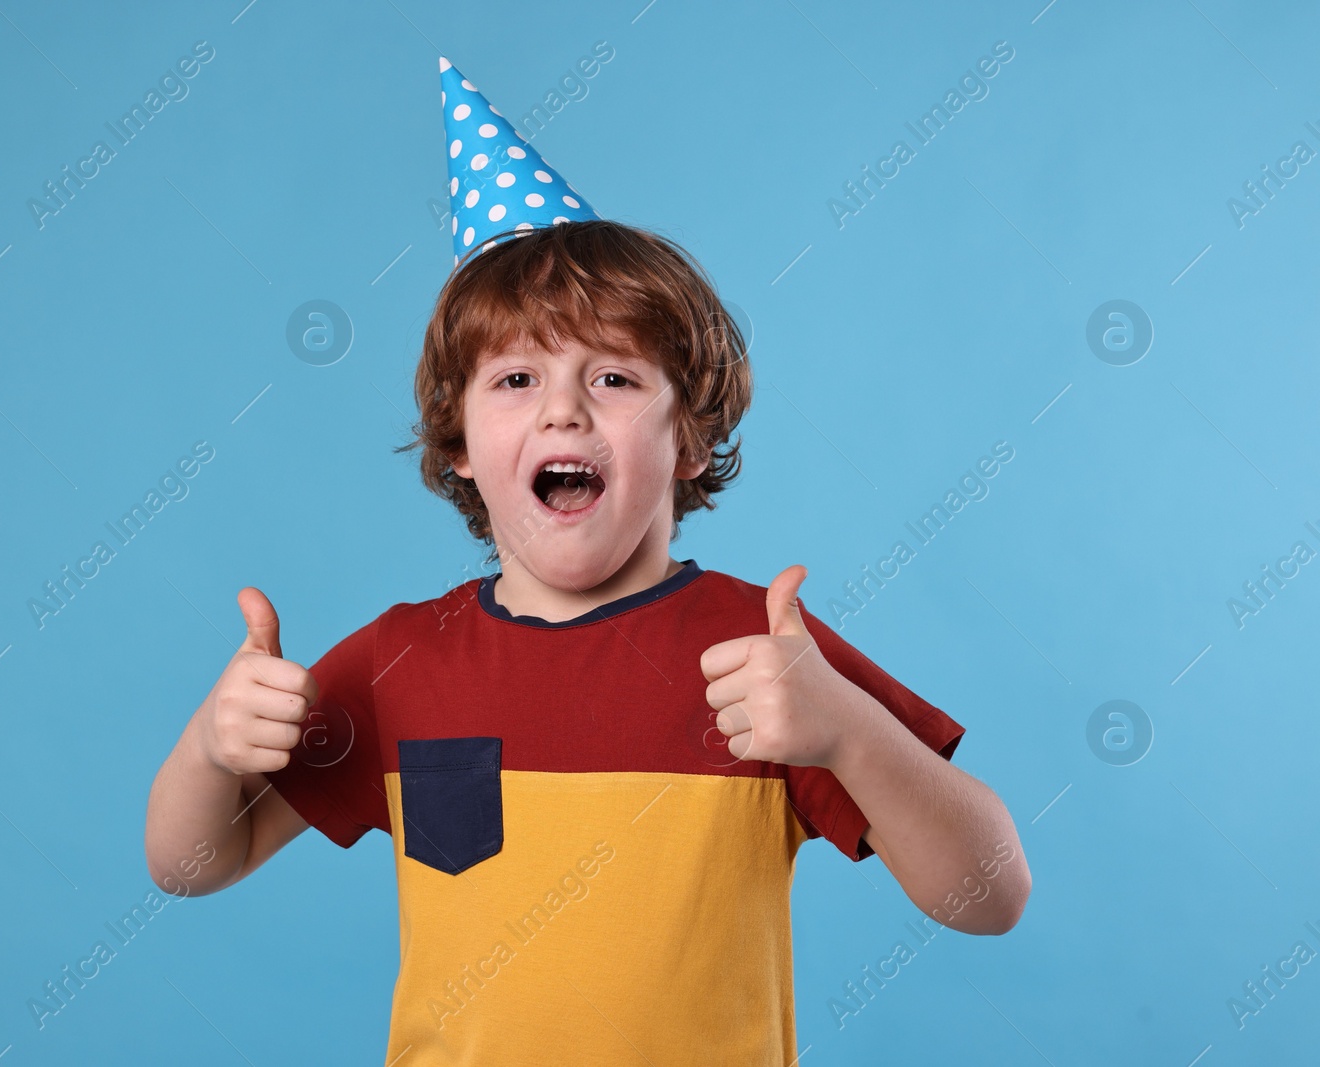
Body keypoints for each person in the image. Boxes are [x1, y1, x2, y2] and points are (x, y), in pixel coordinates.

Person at [144, 57, 1029, 1065]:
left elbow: (989, 896)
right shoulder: (399, 660)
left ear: (688, 442)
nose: (562, 408)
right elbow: (191, 862)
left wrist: (849, 733)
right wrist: (212, 750)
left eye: (611, 376)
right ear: (461, 446)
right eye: (516, 377)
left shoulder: (766, 655)